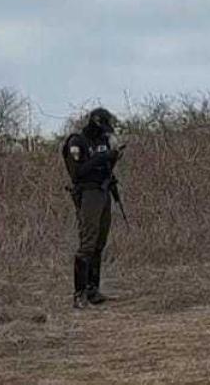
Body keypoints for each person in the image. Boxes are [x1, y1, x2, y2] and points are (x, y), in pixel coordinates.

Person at [61, 107, 121, 309]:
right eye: (102, 125)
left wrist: (113, 158)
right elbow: (78, 173)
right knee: (88, 242)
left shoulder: (103, 140)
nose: (105, 130)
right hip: (88, 194)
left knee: (99, 242)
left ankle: (93, 289)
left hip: (103, 192)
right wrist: (102, 158)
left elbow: (105, 167)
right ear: (94, 122)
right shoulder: (77, 142)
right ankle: (79, 294)